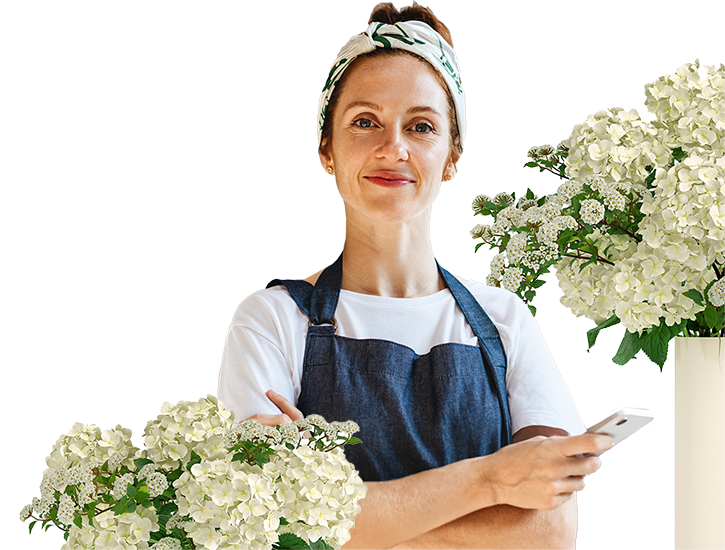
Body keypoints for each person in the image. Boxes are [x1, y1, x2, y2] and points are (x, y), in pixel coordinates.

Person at [217, 2, 613, 548]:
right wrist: (492, 479)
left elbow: (550, 529)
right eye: (365, 121)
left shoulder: (503, 321)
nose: (393, 148)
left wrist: (345, 519)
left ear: (452, 154)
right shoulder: (271, 322)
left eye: (421, 126)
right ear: (326, 149)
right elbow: (264, 523)